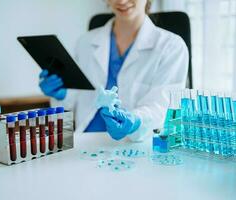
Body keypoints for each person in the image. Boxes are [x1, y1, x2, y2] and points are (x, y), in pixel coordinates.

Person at [39, 0, 188, 141]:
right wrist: (62, 94)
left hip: (135, 144)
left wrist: (135, 122)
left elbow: (161, 108)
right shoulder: (85, 42)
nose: (122, 1)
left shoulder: (172, 47)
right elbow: (75, 103)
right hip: (85, 140)